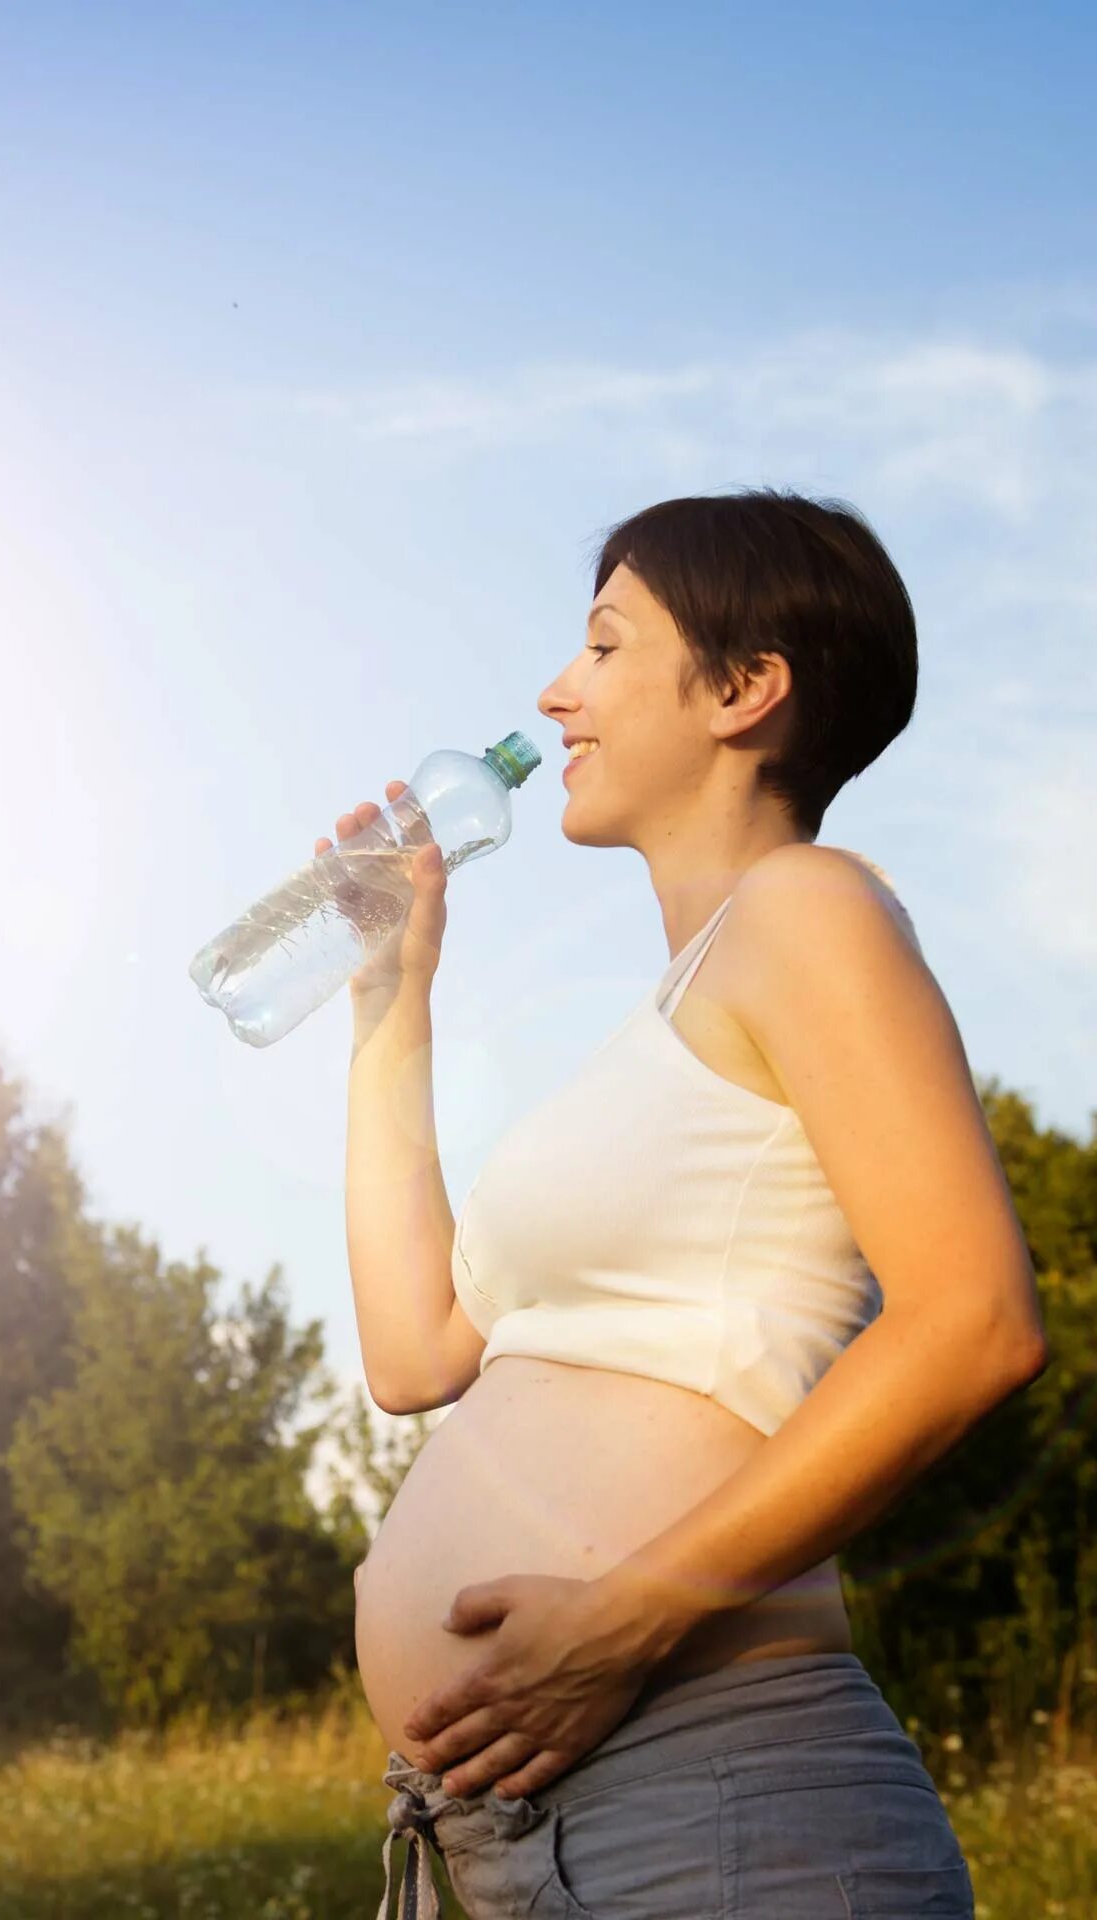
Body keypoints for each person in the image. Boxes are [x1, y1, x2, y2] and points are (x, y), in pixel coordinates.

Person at [336, 487, 1046, 1918]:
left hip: (719, 1809)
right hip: (532, 1840)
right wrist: (390, 998)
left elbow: (973, 1321)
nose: (557, 693)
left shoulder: (811, 907)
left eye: (604, 646)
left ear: (743, 689)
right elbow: (415, 1353)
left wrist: (628, 1617)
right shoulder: (661, 1027)